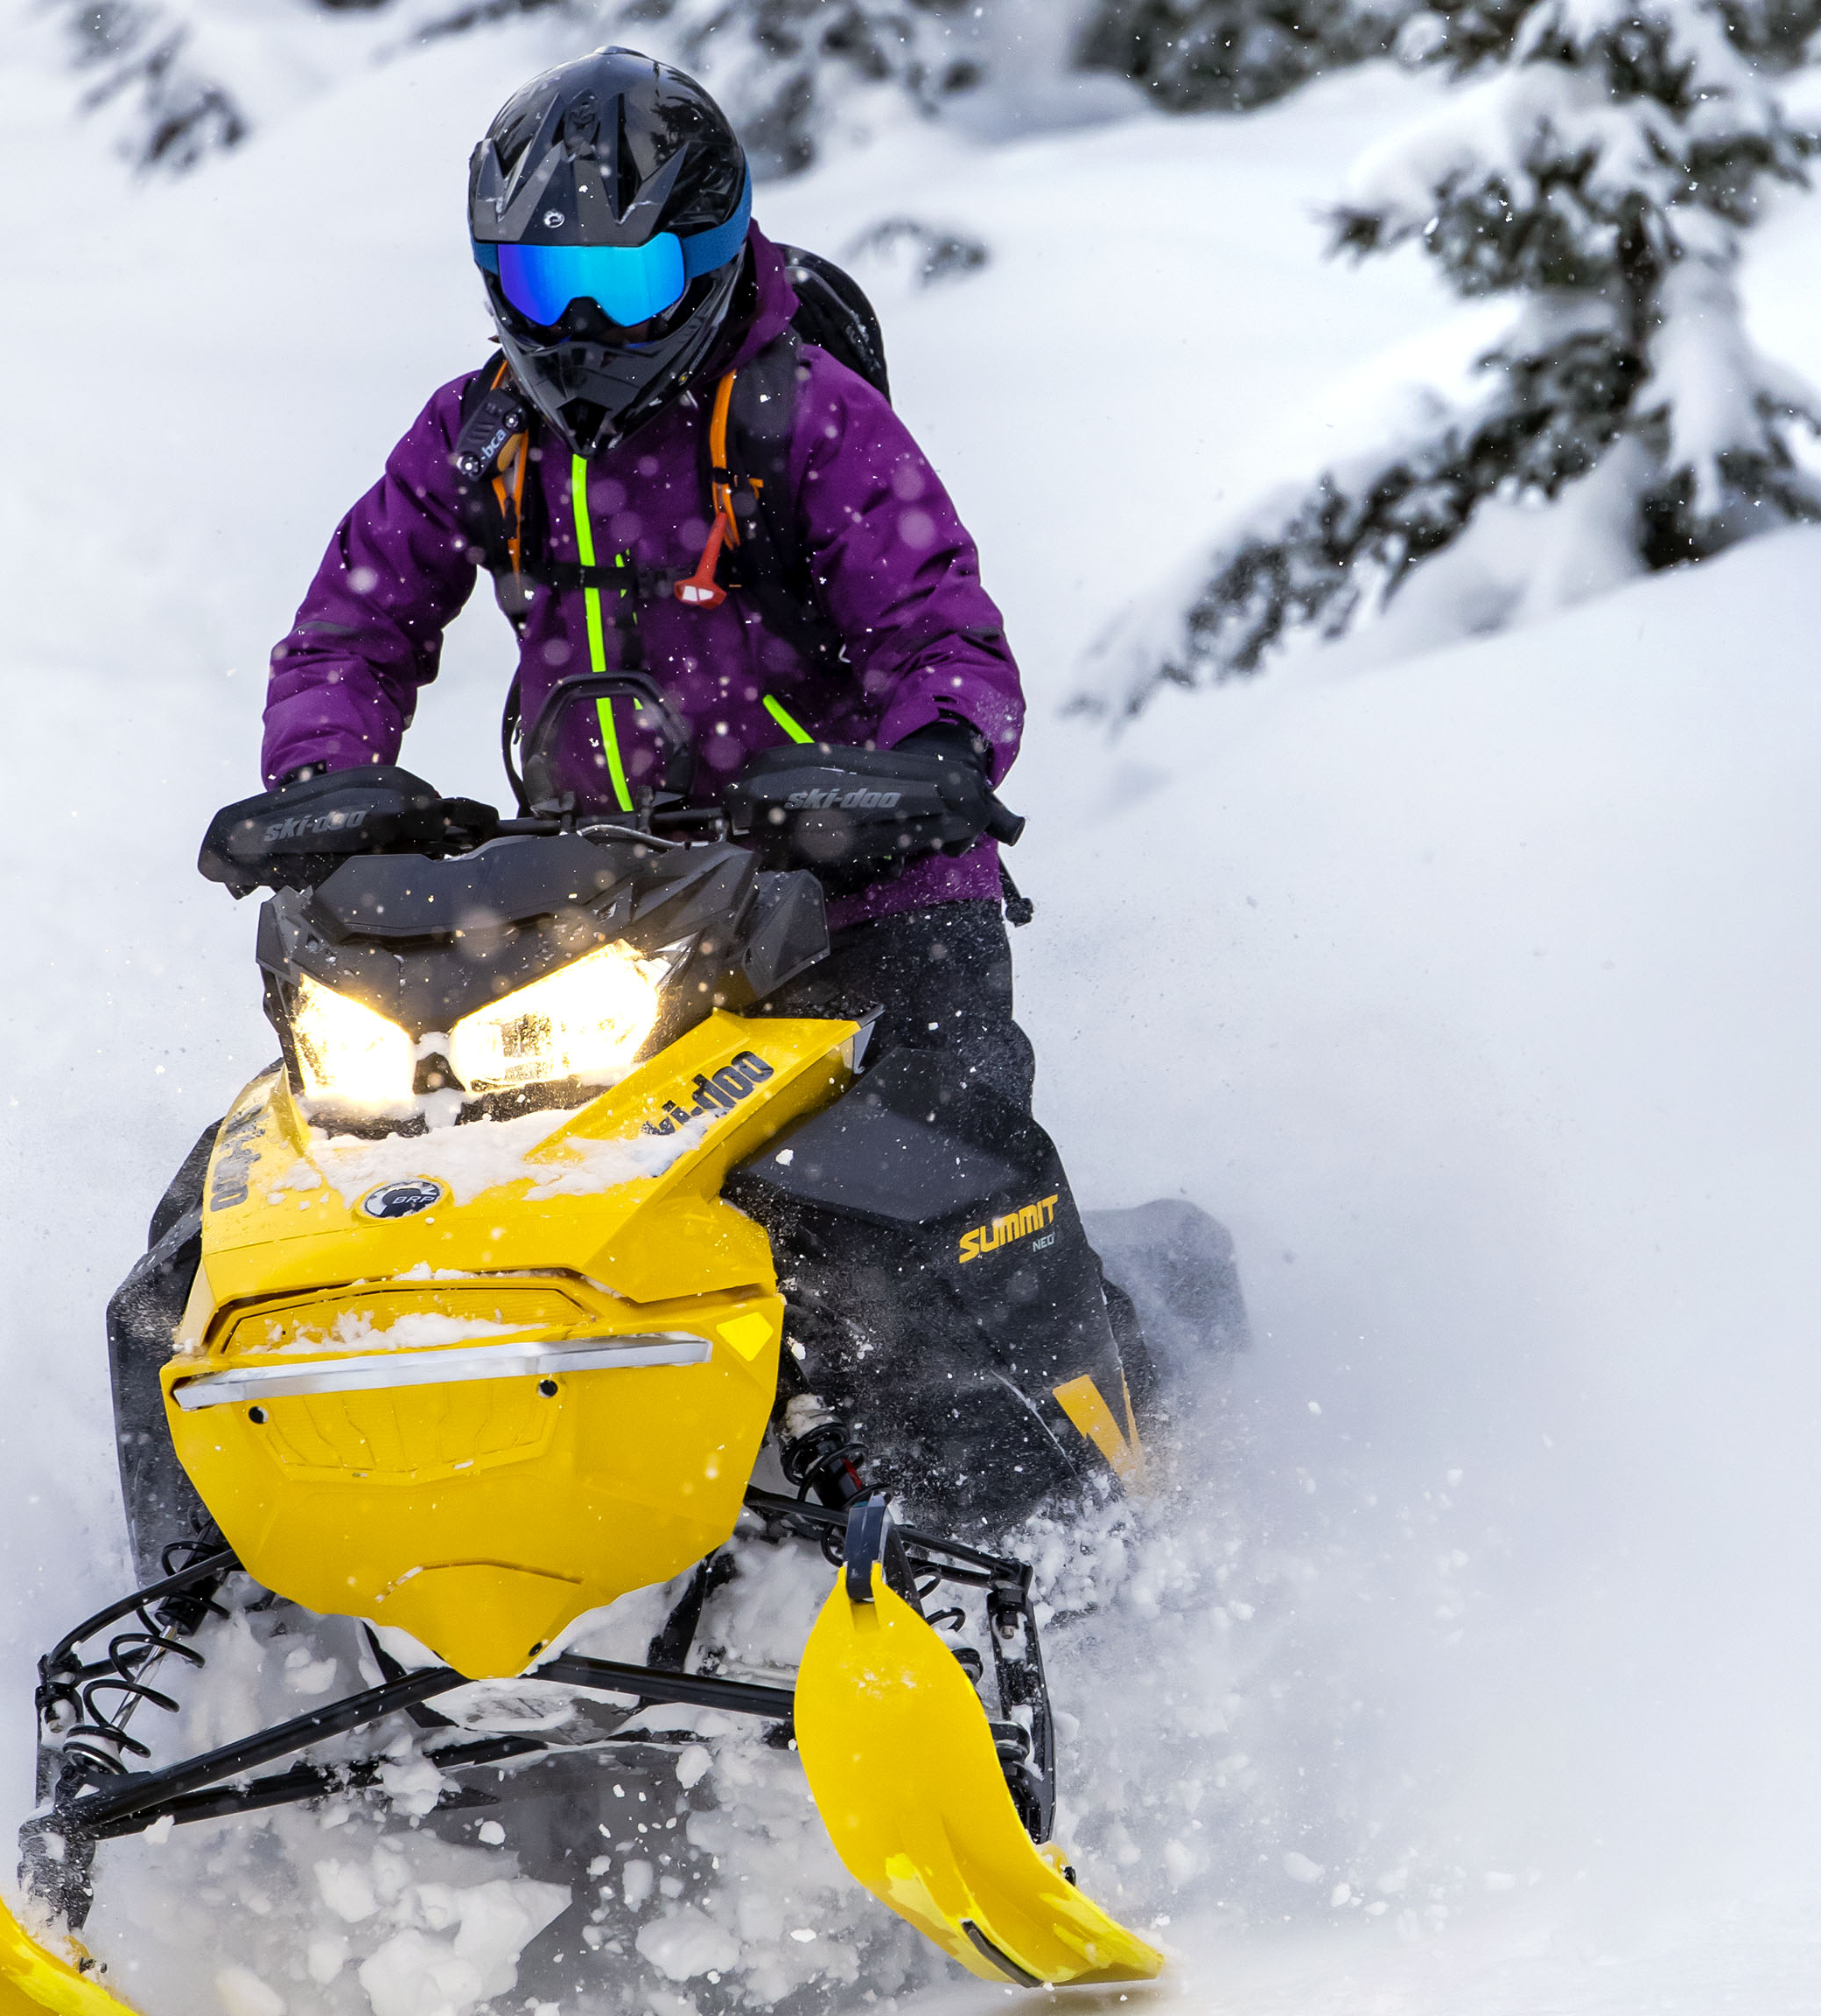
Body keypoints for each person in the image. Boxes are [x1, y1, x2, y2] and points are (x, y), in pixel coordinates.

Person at [103, 47, 1145, 1576]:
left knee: (929, 1196)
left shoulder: (809, 418)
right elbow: (354, 626)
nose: (581, 323)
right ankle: (211, 1616)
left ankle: (1050, 1550)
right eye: (540, 275)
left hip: (861, 891)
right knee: (212, 1238)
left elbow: (942, 630)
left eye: (631, 275)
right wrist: (325, 780)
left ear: (714, 256)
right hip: (619, 903)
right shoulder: (478, 433)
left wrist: (915, 770)